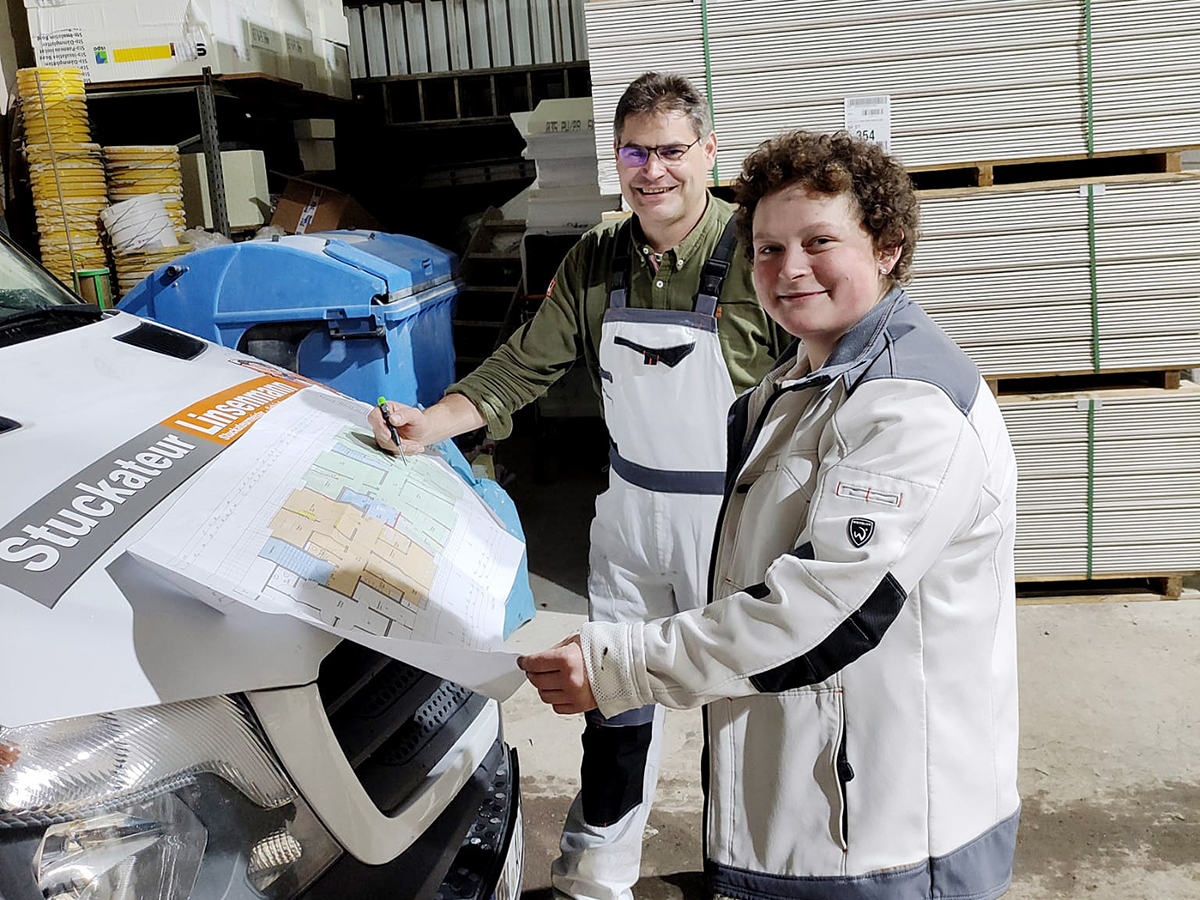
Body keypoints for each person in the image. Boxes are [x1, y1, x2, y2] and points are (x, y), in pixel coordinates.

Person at [518, 130, 1021, 900]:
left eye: (819, 242)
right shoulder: (796, 385)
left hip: (887, 837)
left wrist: (623, 667)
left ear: (886, 248)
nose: (788, 270)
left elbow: (819, 617)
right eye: (767, 248)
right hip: (818, 807)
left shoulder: (907, 409)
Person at [369, 73, 783, 900]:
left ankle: (752, 878)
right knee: (614, 703)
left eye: (671, 150)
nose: (653, 171)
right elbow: (524, 365)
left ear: (708, 154)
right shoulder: (596, 258)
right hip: (630, 518)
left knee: (745, 713)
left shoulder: (761, 252)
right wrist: (432, 423)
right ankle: (595, 879)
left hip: (735, 519)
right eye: (635, 152)